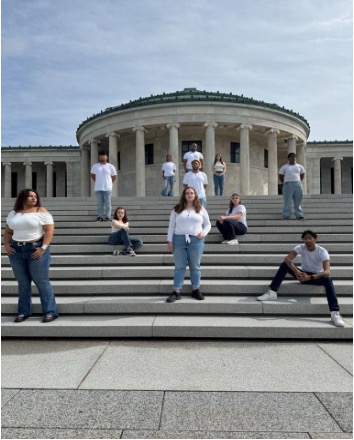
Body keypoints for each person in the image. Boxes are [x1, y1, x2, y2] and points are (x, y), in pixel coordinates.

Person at [257, 230, 345, 327]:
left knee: (328, 279)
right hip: (302, 275)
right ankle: (272, 292)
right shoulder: (300, 247)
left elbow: (327, 271)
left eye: (310, 238)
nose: (307, 240)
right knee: (284, 265)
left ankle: (334, 313)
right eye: (305, 238)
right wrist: (297, 271)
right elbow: (287, 259)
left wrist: (310, 277)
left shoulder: (322, 251)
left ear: (315, 239)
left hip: (315, 277)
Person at [3, 189, 58, 323]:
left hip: (35, 248)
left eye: (35, 196)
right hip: (16, 250)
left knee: (42, 281)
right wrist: (6, 245)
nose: (34, 198)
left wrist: (43, 248)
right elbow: (8, 231)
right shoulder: (13, 213)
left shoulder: (41, 211)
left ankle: (50, 312)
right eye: (30, 196)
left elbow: (49, 230)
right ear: (23, 198)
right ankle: (23, 312)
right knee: (23, 282)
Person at [166, 186, 211, 303]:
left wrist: (204, 233)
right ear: (184, 195)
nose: (189, 195)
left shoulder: (200, 209)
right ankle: (176, 291)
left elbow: (208, 224)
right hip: (179, 239)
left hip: (196, 239)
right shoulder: (177, 209)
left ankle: (195, 289)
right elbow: (171, 226)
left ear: (195, 195)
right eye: (187, 193)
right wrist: (169, 241)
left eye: (192, 193)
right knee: (179, 266)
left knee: (195, 265)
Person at [91, 150, 117, 222]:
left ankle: (108, 217)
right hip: (98, 188)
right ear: (99, 157)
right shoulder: (95, 166)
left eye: (103, 155)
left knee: (108, 203)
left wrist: (109, 183)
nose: (102, 157)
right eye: (100, 156)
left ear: (106, 157)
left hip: (107, 188)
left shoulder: (110, 166)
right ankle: (100, 216)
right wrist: (97, 182)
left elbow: (114, 176)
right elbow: (93, 175)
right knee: (100, 203)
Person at [279, 152, 305, 220]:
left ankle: (299, 215)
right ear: (288, 158)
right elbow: (281, 176)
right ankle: (286, 215)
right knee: (287, 201)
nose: (293, 158)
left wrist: (298, 181)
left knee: (298, 201)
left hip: (297, 184)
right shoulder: (284, 167)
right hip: (288, 184)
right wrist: (284, 182)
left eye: (294, 156)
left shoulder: (300, 166)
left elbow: (302, 174)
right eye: (292, 156)